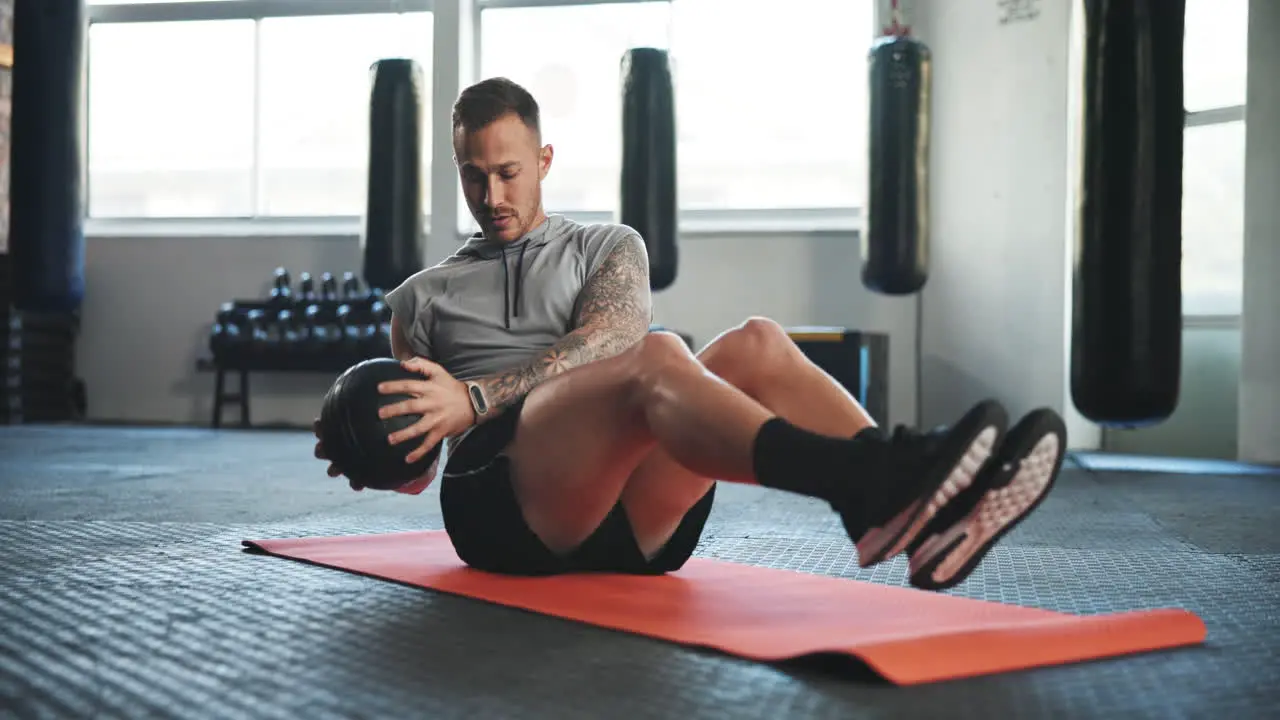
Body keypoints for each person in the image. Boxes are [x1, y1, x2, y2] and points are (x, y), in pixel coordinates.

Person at [314, 77, 1067, 591]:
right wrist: (367, 448)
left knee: (756, 344)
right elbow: (418, 465)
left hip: (638, 513)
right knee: (662, 358)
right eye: (474, 176)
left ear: (544, 161)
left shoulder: (609, 248)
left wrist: (474, 392)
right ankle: (872, 484)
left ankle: (920, 507)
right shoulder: (421, 298)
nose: (493, 195)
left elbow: (612, 343)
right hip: (505, 509)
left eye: (509, 172)